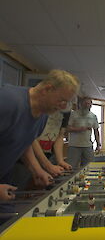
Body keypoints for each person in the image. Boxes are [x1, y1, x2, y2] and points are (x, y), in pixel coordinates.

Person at [0, 69, 80, 200]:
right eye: (61, 100)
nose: (62, 106)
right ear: (47, 89)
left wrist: (37, 170)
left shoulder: (42, 114)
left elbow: (24, 143)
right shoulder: (9, 101)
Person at [67, 97, 101, 168]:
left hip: (87, 146)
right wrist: (79, 129)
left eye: (88, 103)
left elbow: (96, 131)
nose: (86, 105)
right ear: (80, 104)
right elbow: (67, 128)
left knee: (89, 167)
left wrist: (98, 144)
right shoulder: (73, 114)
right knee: (71, 167)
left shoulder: (93, 116)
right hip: (74, 145)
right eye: (85, 103)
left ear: (91, 105)